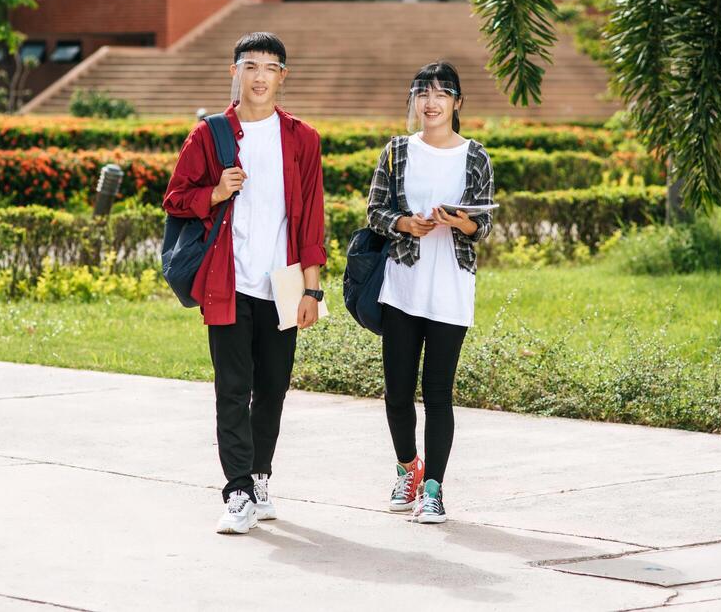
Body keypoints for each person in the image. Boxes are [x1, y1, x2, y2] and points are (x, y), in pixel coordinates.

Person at [162, 32, 327, 535]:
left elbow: (311, 220)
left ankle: (259, 478)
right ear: (233, 71)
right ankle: (236, 491)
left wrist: (312, 290)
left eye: (270, 67)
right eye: (250, 65)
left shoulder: (302, 138)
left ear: (283, 76)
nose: (259, 76)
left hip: (282, 282)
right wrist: (214, 191)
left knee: (273, 388)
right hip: (227, 279)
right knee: (233, 388)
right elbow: (175, 199)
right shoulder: (210, 134)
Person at [365, 61, 494, 524]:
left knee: (437, 394)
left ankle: (434, 489)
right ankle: (408, 469)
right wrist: (405, 223)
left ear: (458, 103)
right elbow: (374, 212)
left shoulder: (475, 156)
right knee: (397, 393)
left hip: (451, 290)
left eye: (442, 94)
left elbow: (484, 224)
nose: (431, 102)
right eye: (422, 93)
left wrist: (460, 222)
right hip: (402, 287)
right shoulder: (398, 151)